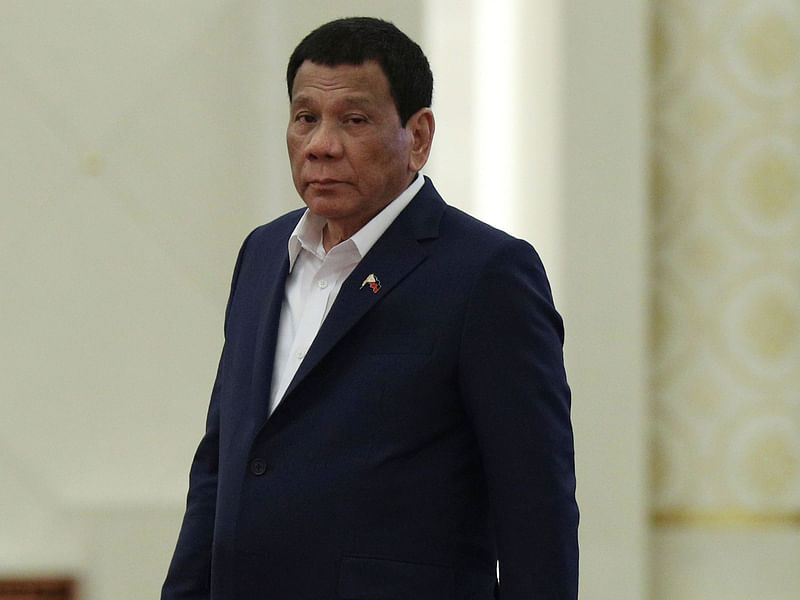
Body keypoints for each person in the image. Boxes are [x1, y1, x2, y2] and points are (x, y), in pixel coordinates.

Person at [162, 16, 578, 600]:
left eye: (353, 121)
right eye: (305, 118)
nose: (321, 144)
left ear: (420, 137)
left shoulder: (487, 274)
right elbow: (222, 465)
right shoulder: (262, 253)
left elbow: (537, 505)